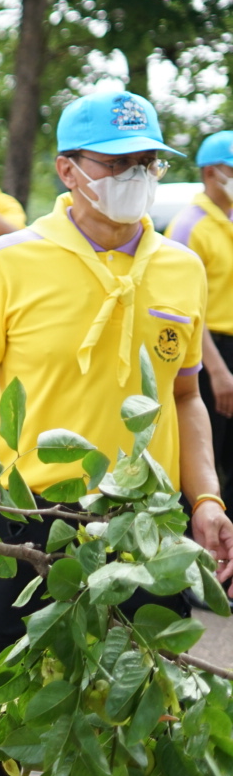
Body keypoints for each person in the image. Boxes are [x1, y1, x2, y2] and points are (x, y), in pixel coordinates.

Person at [0, 91, 233, 776]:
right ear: (66, 170)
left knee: (130, 741)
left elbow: (185, 398)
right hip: (29, 526)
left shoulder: (181, 267)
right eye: (116, 163)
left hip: (144, 533)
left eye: (147, 161)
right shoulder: (5, 263)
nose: (136, 176)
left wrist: (205, 497)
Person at [168, 130, 233, 509]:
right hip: (209, 355)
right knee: (205, 456)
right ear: (211, 173)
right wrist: (219, 370)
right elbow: (187, 310)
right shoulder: (189, 225)